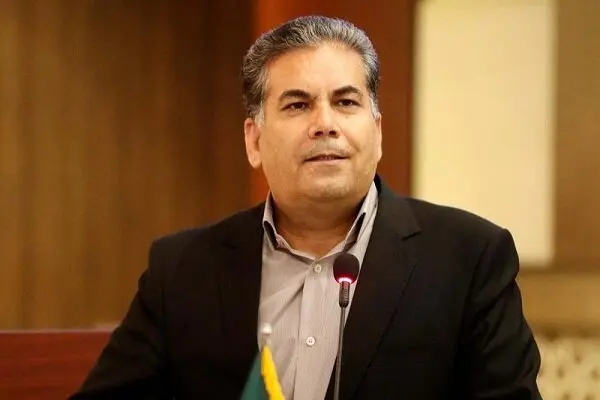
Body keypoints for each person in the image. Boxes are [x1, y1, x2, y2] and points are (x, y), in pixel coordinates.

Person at [71, 15, 542, 400]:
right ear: (254, 141)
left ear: (377, 133)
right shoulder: (182, 269)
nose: (325, 124)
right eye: (297, 105)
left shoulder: (469, 257)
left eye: (346, 102)